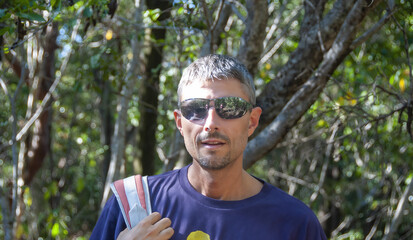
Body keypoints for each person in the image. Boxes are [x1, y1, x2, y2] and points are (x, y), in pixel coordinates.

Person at [90, 54, 327, 240]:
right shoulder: (132, 207)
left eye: (230, 107)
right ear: (180, 122)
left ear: (252, 121)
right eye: (196, 109)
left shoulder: (294, 223)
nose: (211, 123)